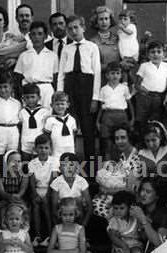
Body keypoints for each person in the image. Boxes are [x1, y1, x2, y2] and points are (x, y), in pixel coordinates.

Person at [57, 15, 101, 162]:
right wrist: (60, 94)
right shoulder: (66, 49)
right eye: (70, 29)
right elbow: (61, 74)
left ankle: (90, 171)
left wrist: (95, 98)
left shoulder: (92, 47)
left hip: (86, 87)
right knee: (68, 127)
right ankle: (70, 166)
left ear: (83, 28)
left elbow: (97, 74)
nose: (73, 31)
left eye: (76, 27)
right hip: (70, 87)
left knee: (88, 129)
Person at [135, 40, 167, 136]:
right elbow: (137, 84)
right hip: (145, 97)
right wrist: (143, 91)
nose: (156, 54)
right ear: (148, 54)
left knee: (157, 122)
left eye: (159, 52)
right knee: (142, 121)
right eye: (152, 52)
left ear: (164, 54)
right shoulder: (144, 66)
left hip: (159, 97)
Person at [14, 21, 58, 110]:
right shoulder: (24, 55)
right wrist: (21, 94)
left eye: (40, 34)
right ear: (30, 36)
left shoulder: (52, 55)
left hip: (46, 90)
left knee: (47, 116)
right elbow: (17, 78)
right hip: (29, 90)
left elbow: (56, 78)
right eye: (33, 34)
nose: (37, 37)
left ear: (45, 36)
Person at [96, 62, 135, 160]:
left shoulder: (124, 88)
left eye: (117, 73)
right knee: (107, 144)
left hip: (121, 116)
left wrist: (132, 118)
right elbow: (101, 107)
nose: (115, 76)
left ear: (121, 75)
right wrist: (98, 121)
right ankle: (107, 168)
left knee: (122, 142)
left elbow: (130, 104)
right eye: (112, 73)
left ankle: (123, 165)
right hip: (107, 116)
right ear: (107, 75)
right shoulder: (104, 89)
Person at [28, 133, 59, 247]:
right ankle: (37, 236)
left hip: (51, 190)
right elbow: (31, 182)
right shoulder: (32, 163)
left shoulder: (54, 161)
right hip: (38, 190)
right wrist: (35, 194)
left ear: (50, 149)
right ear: (36, 149)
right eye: (40, 148)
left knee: (46, 204)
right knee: (35, 205)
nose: (43, 150)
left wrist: (47, 195)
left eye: (46, 148)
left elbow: (53, 180)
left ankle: (51, 235)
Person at [50, 153, 93, 227]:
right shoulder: (57, 182)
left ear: (77, 168)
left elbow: (89, 206)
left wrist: (83, 225)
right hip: (63, 216)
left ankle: (78, 231)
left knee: (78, 201)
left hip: (79, 216)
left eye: (71, 165)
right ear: (60, 168)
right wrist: (58, 227)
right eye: (65, 165)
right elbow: (54, 208)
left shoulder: (81, 181)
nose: (68, 168)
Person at [0, 72, 21, 158]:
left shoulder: (17, 103)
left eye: (5, 87)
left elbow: (20, 123)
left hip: (13, 132)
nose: (2, 90)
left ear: (11, 86)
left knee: (12, 157)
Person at [0, 150, 29, 227]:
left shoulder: (24, 177)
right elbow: (1, 192)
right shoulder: (1, 177)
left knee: (23, 210)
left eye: (19, 161)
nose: (17, 164)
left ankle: (24, 230)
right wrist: (9, 197)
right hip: (6, 200)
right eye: (13, 161)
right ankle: (3, 231)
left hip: (19, 200)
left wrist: (16, 197)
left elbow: (22, 191)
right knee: (2, 211)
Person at [18, 84, 51, 160]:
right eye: (27, 97)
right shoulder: (22, 112)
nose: (30, 100)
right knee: (26, 165)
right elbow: (20, 127)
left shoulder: (45, 112)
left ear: (39, 98)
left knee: (39, 164)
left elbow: (48, 129)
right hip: (25, 143)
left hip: (39, 143)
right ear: (23, 98)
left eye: (33, 97)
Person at [89, 6, 121, 80]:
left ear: (110, 21)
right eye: (101, 19)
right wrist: (118, 65)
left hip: (119, 80)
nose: (104, 22)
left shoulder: (118, 38)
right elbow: (94, 66)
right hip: (102, 79)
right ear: (96, 22)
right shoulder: (93, 42)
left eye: (106, 18)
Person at [43, 91, 77, 158]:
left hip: (69, 147)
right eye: (57, 104)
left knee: (69, 164)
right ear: (52, 105)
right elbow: (46, 136)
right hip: (56, 148)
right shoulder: (50, 120)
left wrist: (74, 147)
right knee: (56, 165)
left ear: (67, 105)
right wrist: (49, 148)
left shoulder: (72, 119)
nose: (60, 106)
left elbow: (74, 135)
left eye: (62, 104)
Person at [117, 9, 139, 85]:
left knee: (126, 67)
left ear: (131, 20)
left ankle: (130, 83)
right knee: (125, 69)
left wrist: (122, 29)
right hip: (124, 54)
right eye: (121, 19)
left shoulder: (131, 26)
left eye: (125, 19)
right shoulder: (121, 30)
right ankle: (127, 83)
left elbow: (129, 32)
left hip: (131, 54)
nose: (122, 21)